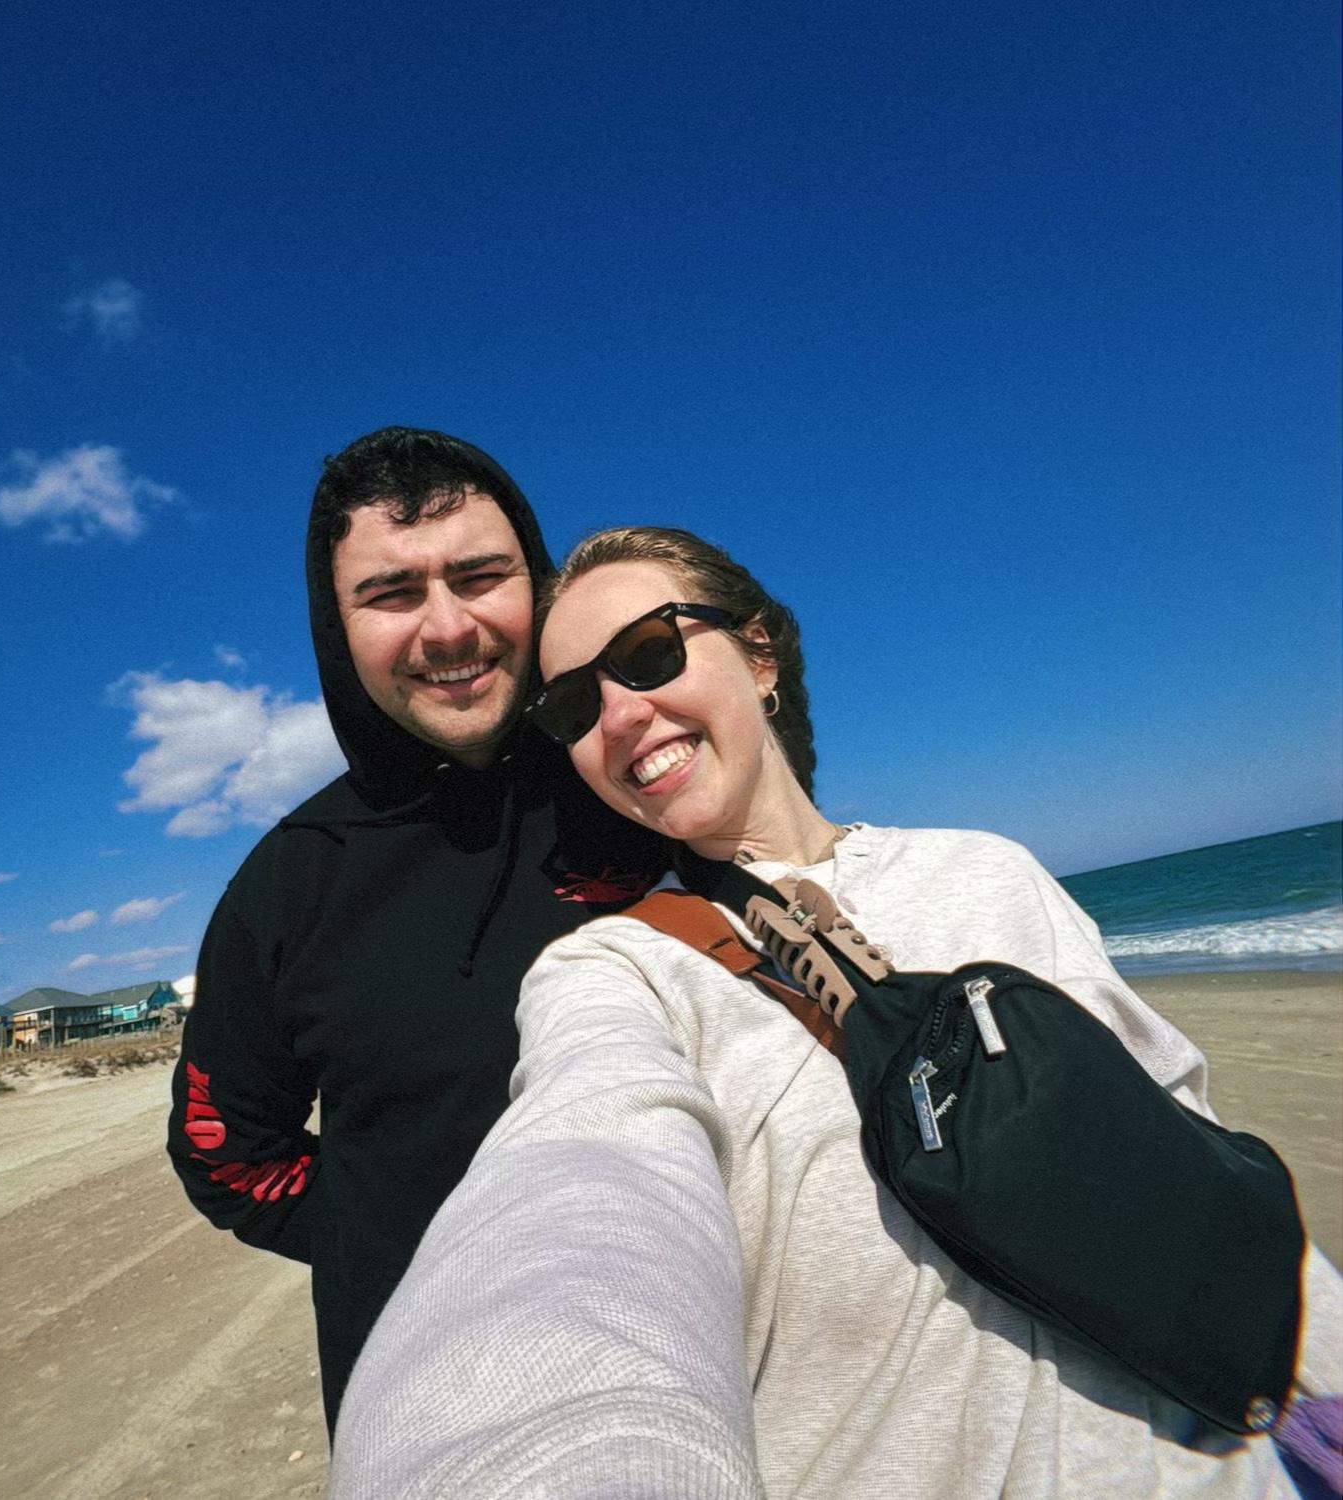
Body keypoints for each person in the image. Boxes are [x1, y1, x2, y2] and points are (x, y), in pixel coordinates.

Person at [333, 527, 1343, 1498]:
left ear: (759, 652)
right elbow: (578, 1188)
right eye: (570, 707)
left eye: (646, 655)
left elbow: (1186, 1134)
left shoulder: (990, 871)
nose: (620, 715)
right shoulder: (616, 970)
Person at [165, 433, 660, 1435]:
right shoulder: (288, 888)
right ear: (335, 626)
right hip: (435, 1414)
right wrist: (408, 1246)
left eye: (481, 576)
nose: (447, 626)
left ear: (539, 585)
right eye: (391, 593)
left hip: (720, 1370)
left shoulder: (639, 780)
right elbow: (223, 1157)